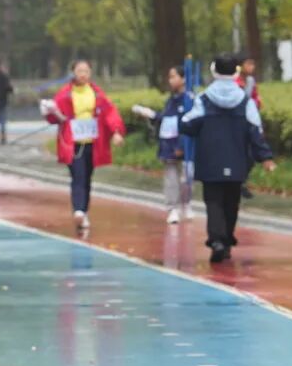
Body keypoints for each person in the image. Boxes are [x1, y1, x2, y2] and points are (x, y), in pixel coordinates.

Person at [180, 54, 276, 263]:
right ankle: (226, 240)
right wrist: (266, 157)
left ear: (214, 70)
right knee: (232, 202)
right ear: (236, 72)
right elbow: (255, 132)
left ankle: (217, 241)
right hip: (237, 159)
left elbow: (187, 125)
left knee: (213, 201)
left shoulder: (203, 100)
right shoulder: (245, 101)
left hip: (210, 160)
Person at [40, 60, 125, 231]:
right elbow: (55, 117)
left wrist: (116, 131)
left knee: (87, 177)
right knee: (78, 176)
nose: (83, 74)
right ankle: (78, 210)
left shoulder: (97, 93)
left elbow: (109, 113)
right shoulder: (65, 94)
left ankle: (83, 211)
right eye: (79, 71)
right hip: (73, 144)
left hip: (93, 143)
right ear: (73, 73)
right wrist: (48, 111)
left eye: (86, 71)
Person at [132, 65, 195, 223]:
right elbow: (166, 118)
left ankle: (186, 204)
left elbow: (189, 122)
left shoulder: (190, 99)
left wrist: (182, 144)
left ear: (183, 79)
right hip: (168, 144)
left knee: (187, 177)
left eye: (174, 76)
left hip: (185, 145)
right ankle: (172, 208)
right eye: (170, 77)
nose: (170, 80)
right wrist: (149, 114)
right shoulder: (171, 100)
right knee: (171, 178)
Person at [234, 51, 261, 200]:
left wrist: (255, 105)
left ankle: (241, 181)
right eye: (248, 64)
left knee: (250, 155)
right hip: (235, 123)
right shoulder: (233, 81)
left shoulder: (251, 81)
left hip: (248, 122)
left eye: (253, 64)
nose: (252, 67)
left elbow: (256, 98)